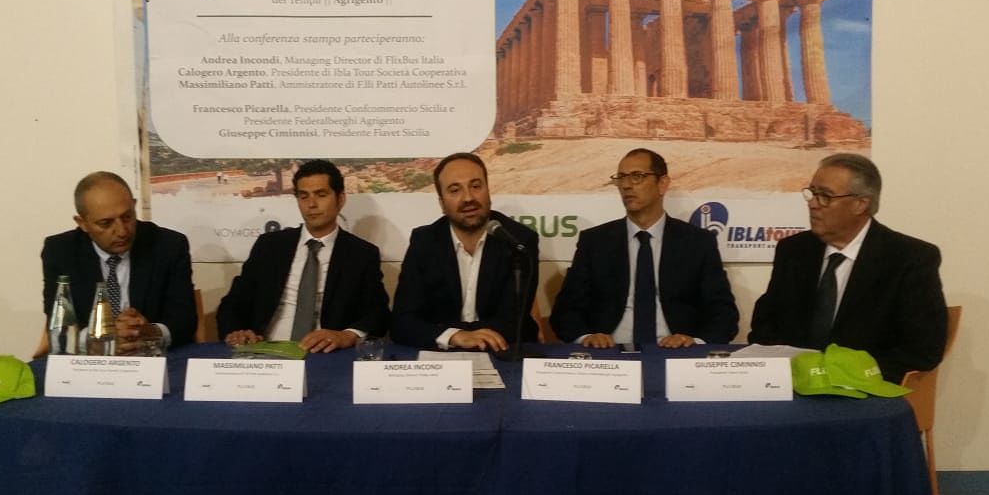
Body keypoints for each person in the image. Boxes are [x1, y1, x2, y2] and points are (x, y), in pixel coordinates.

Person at [749, 153, 947, 382]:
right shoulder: (794, 251)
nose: (813, 204)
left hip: (866, 388)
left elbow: (923, 349)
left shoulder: (909, 258)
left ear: (861, 204)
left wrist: (843, 374)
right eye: (812, 193)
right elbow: (765, 324)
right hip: (795, 383)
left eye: (825, 196)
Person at [549, 148, 738, 349]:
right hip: (609, 353)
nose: (626, 185)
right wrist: (586, 337)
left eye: (637, 176)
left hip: (675, 352)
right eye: (621, 178)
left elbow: (724, 313)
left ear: (662, 184)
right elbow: (565, 311)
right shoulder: (595, 241)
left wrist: (694, 342)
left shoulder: (698, 242)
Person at [215, 159, 388, 353]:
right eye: (303, 196)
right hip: (265, 349)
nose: (311, 204)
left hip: (325, 353)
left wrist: (346, 335)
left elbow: (378, 313)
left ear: (340, 199)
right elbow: (233, 303)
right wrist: (236, 331)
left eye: (321, 195)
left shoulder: (361, 254)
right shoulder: (270, 246)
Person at [391, 152, 539, 352]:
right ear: (442, 203)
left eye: (476, 186)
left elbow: (514, 323)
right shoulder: (425, 242)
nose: (468, 198)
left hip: (502, 352)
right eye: (455, 190)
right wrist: (455, 336)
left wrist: (453, 332)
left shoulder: (518, 241)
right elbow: (403, 322)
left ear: (488, 191)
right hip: (442, 354)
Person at [41, 171, 197, 355]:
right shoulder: (60, 252)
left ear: (134, 206)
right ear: (82, 223)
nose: (122, 231)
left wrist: (148, 332)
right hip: (89, 361)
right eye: (106, 223)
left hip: (152, 358)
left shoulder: (168, 245)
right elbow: (58, 324)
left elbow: (185, 320)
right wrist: (99, 338)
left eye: (127, 217)